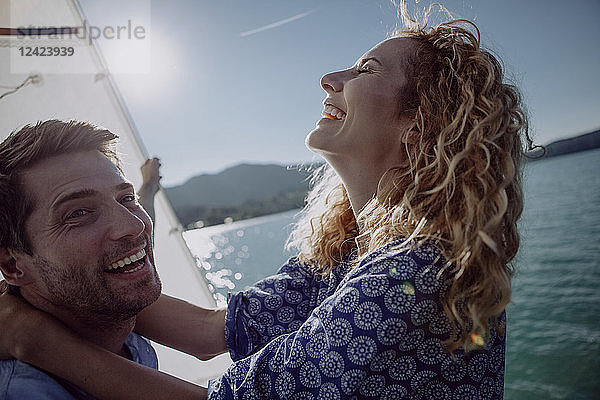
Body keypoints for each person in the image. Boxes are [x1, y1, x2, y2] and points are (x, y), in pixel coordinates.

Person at [0, 10, 533, 400]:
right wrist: (75, 280)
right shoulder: (349, 249)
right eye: (78, 211)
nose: (332, 78)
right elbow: (211, 333)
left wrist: (35, 339)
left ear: (422, 125)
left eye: (367, 71)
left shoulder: (417, 275)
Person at [0, 120, 163, 399]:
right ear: (14, 265)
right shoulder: (26, 392)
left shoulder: (111, 313)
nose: (134, 226)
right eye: (78, 213)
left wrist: (147, 187)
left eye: (125, 198)